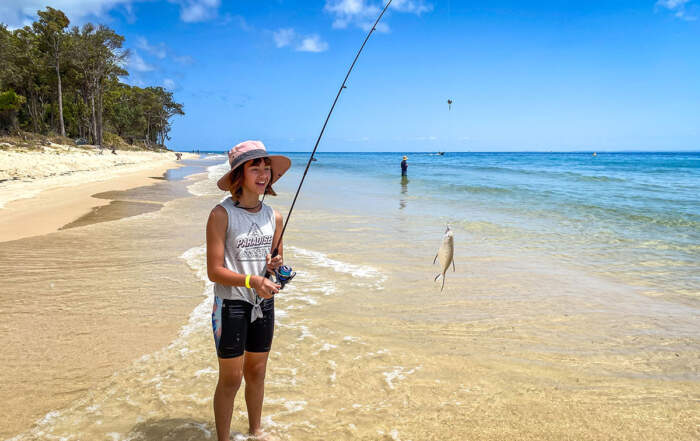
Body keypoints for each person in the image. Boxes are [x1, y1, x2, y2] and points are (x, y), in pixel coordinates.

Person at [206, 140, 291, 440]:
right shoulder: (221, 214)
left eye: (267, 168)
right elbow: (214, 271)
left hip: (263, 305)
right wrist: (251, 281)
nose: (263, 174)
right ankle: (223, 438)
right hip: (231, 306)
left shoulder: (274, 216)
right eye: (255, 167)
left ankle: (256, 431)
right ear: (238, 176)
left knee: (257, 372)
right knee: (231, 379)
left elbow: (277, 267)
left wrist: (276, 267)